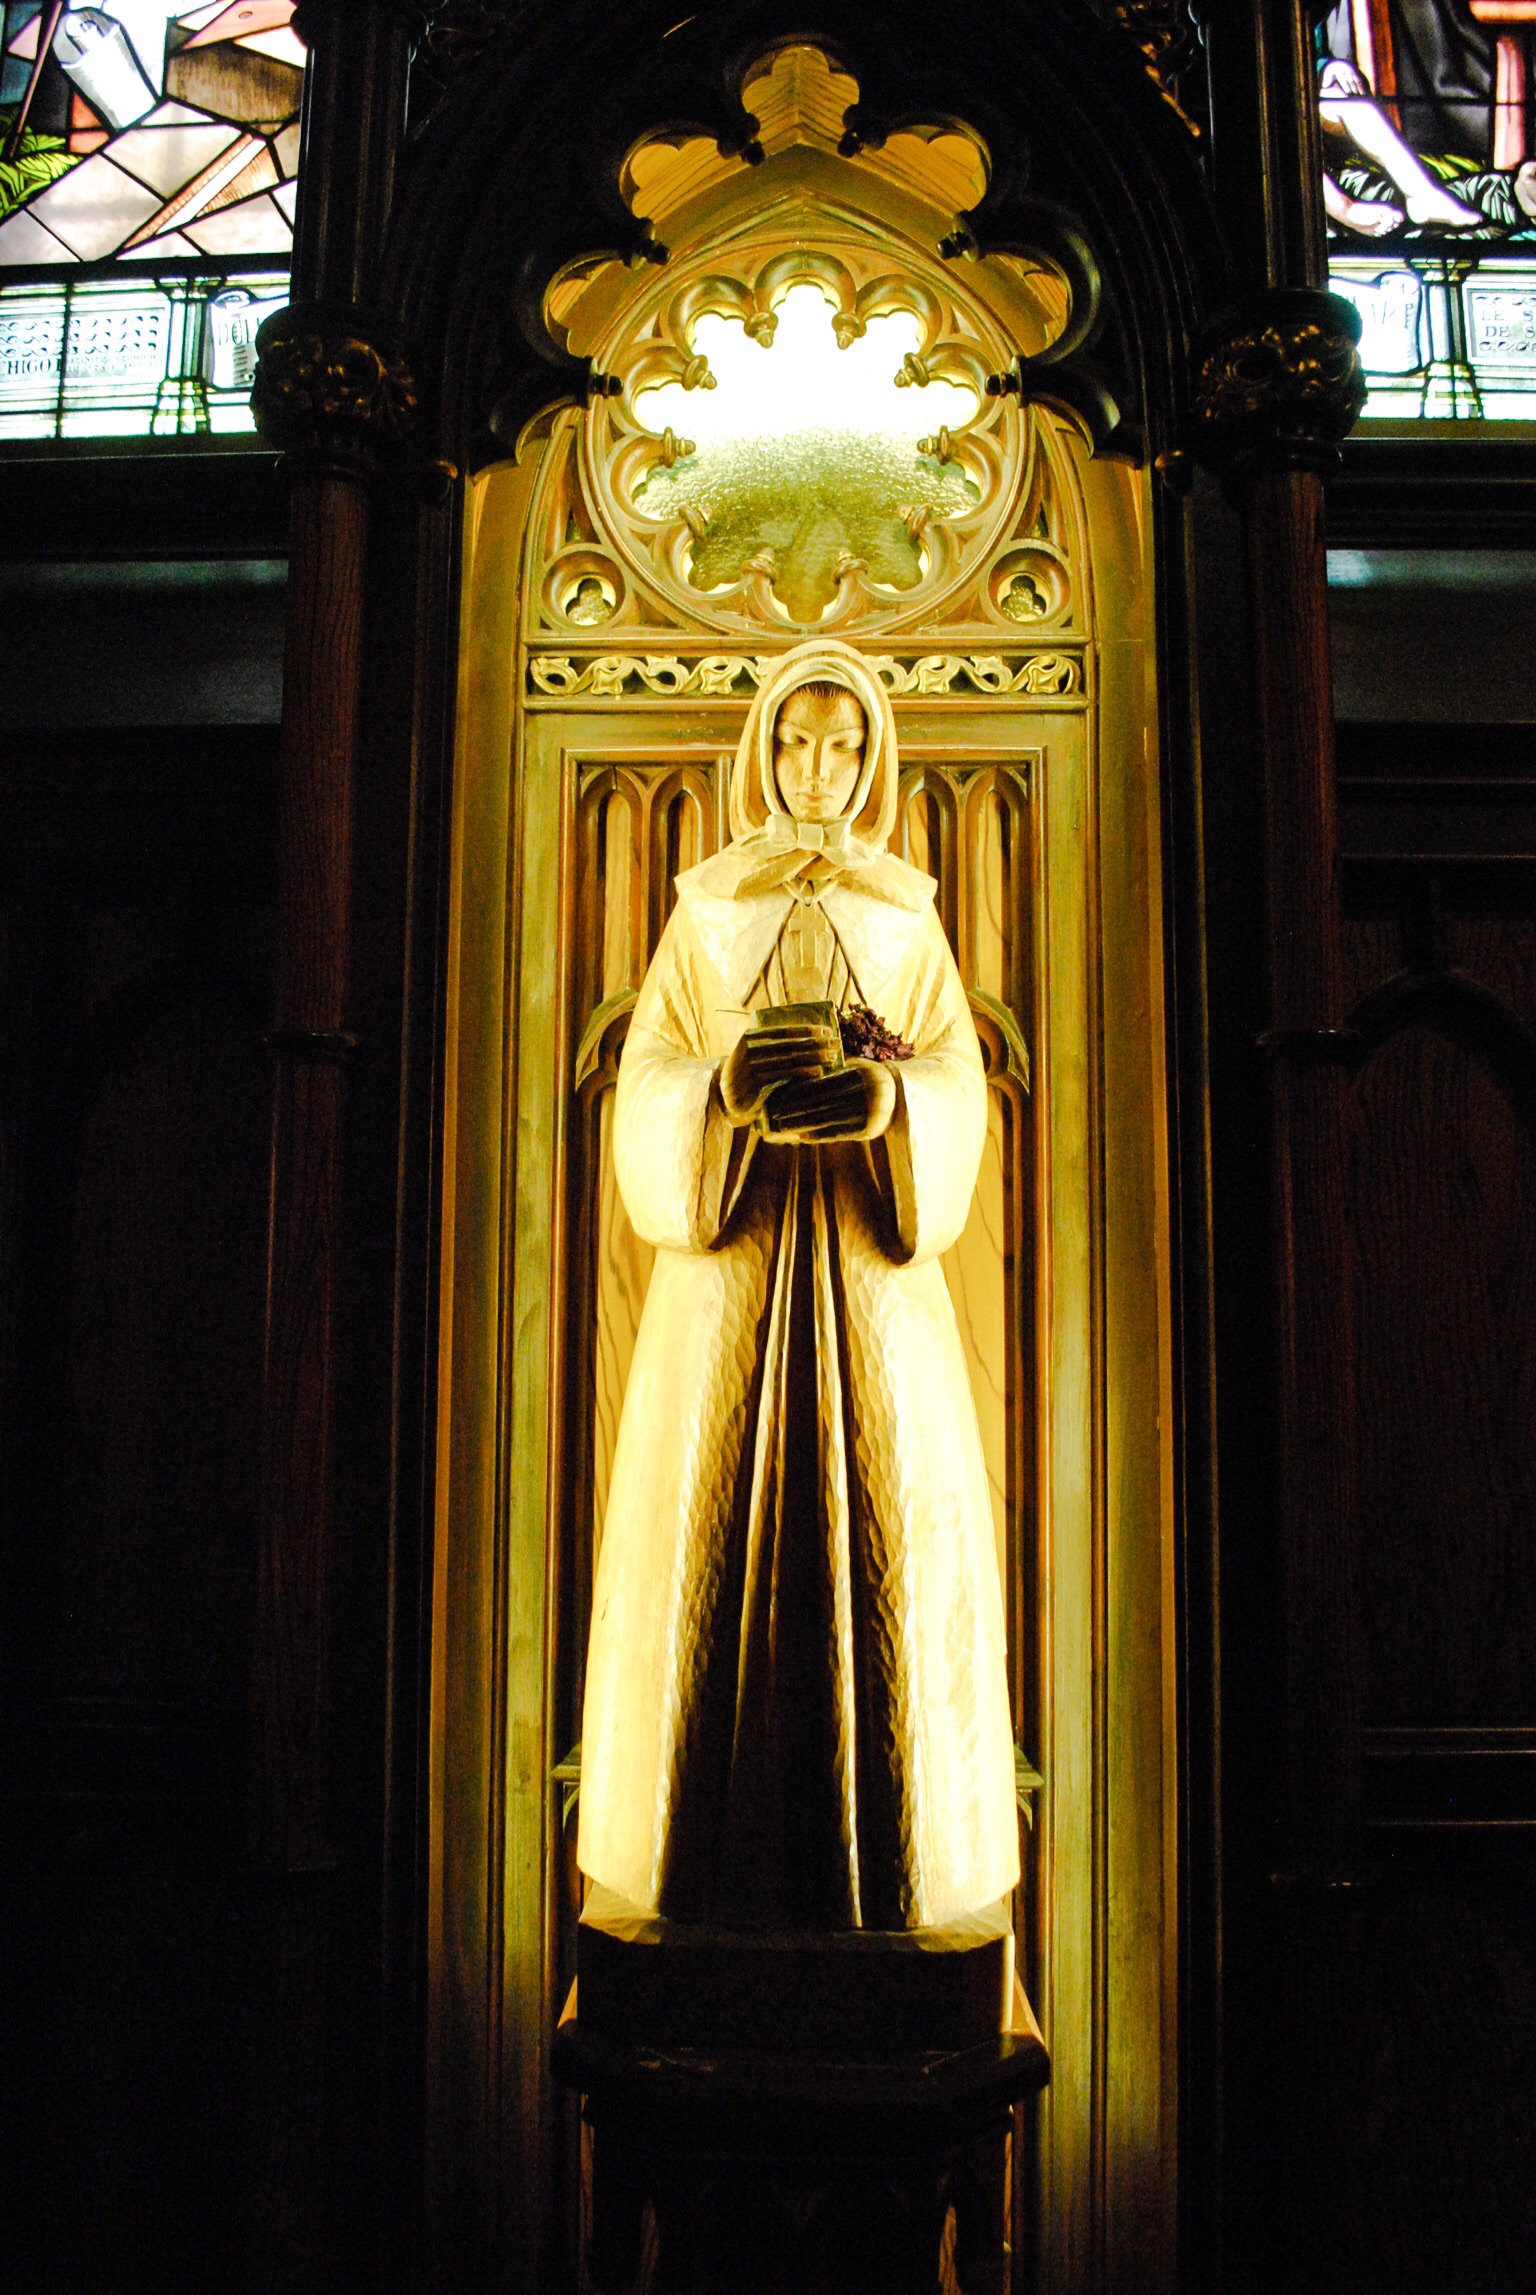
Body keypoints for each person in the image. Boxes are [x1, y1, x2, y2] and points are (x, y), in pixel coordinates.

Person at [576, 639, 1019, 1933]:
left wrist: (888, 1095)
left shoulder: (906, 910)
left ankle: (901, 1859)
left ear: (874, 758)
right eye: (795, 742)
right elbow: (651, 1059)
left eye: (841, 745)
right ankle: (701, 1854)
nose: (817, 770)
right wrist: (719, 1089)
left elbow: (950, 1073)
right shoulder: (707, 903)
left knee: (883, 1526)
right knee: (711, 1521)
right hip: (731, 1275)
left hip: (872, 1279)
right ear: (760, 752)